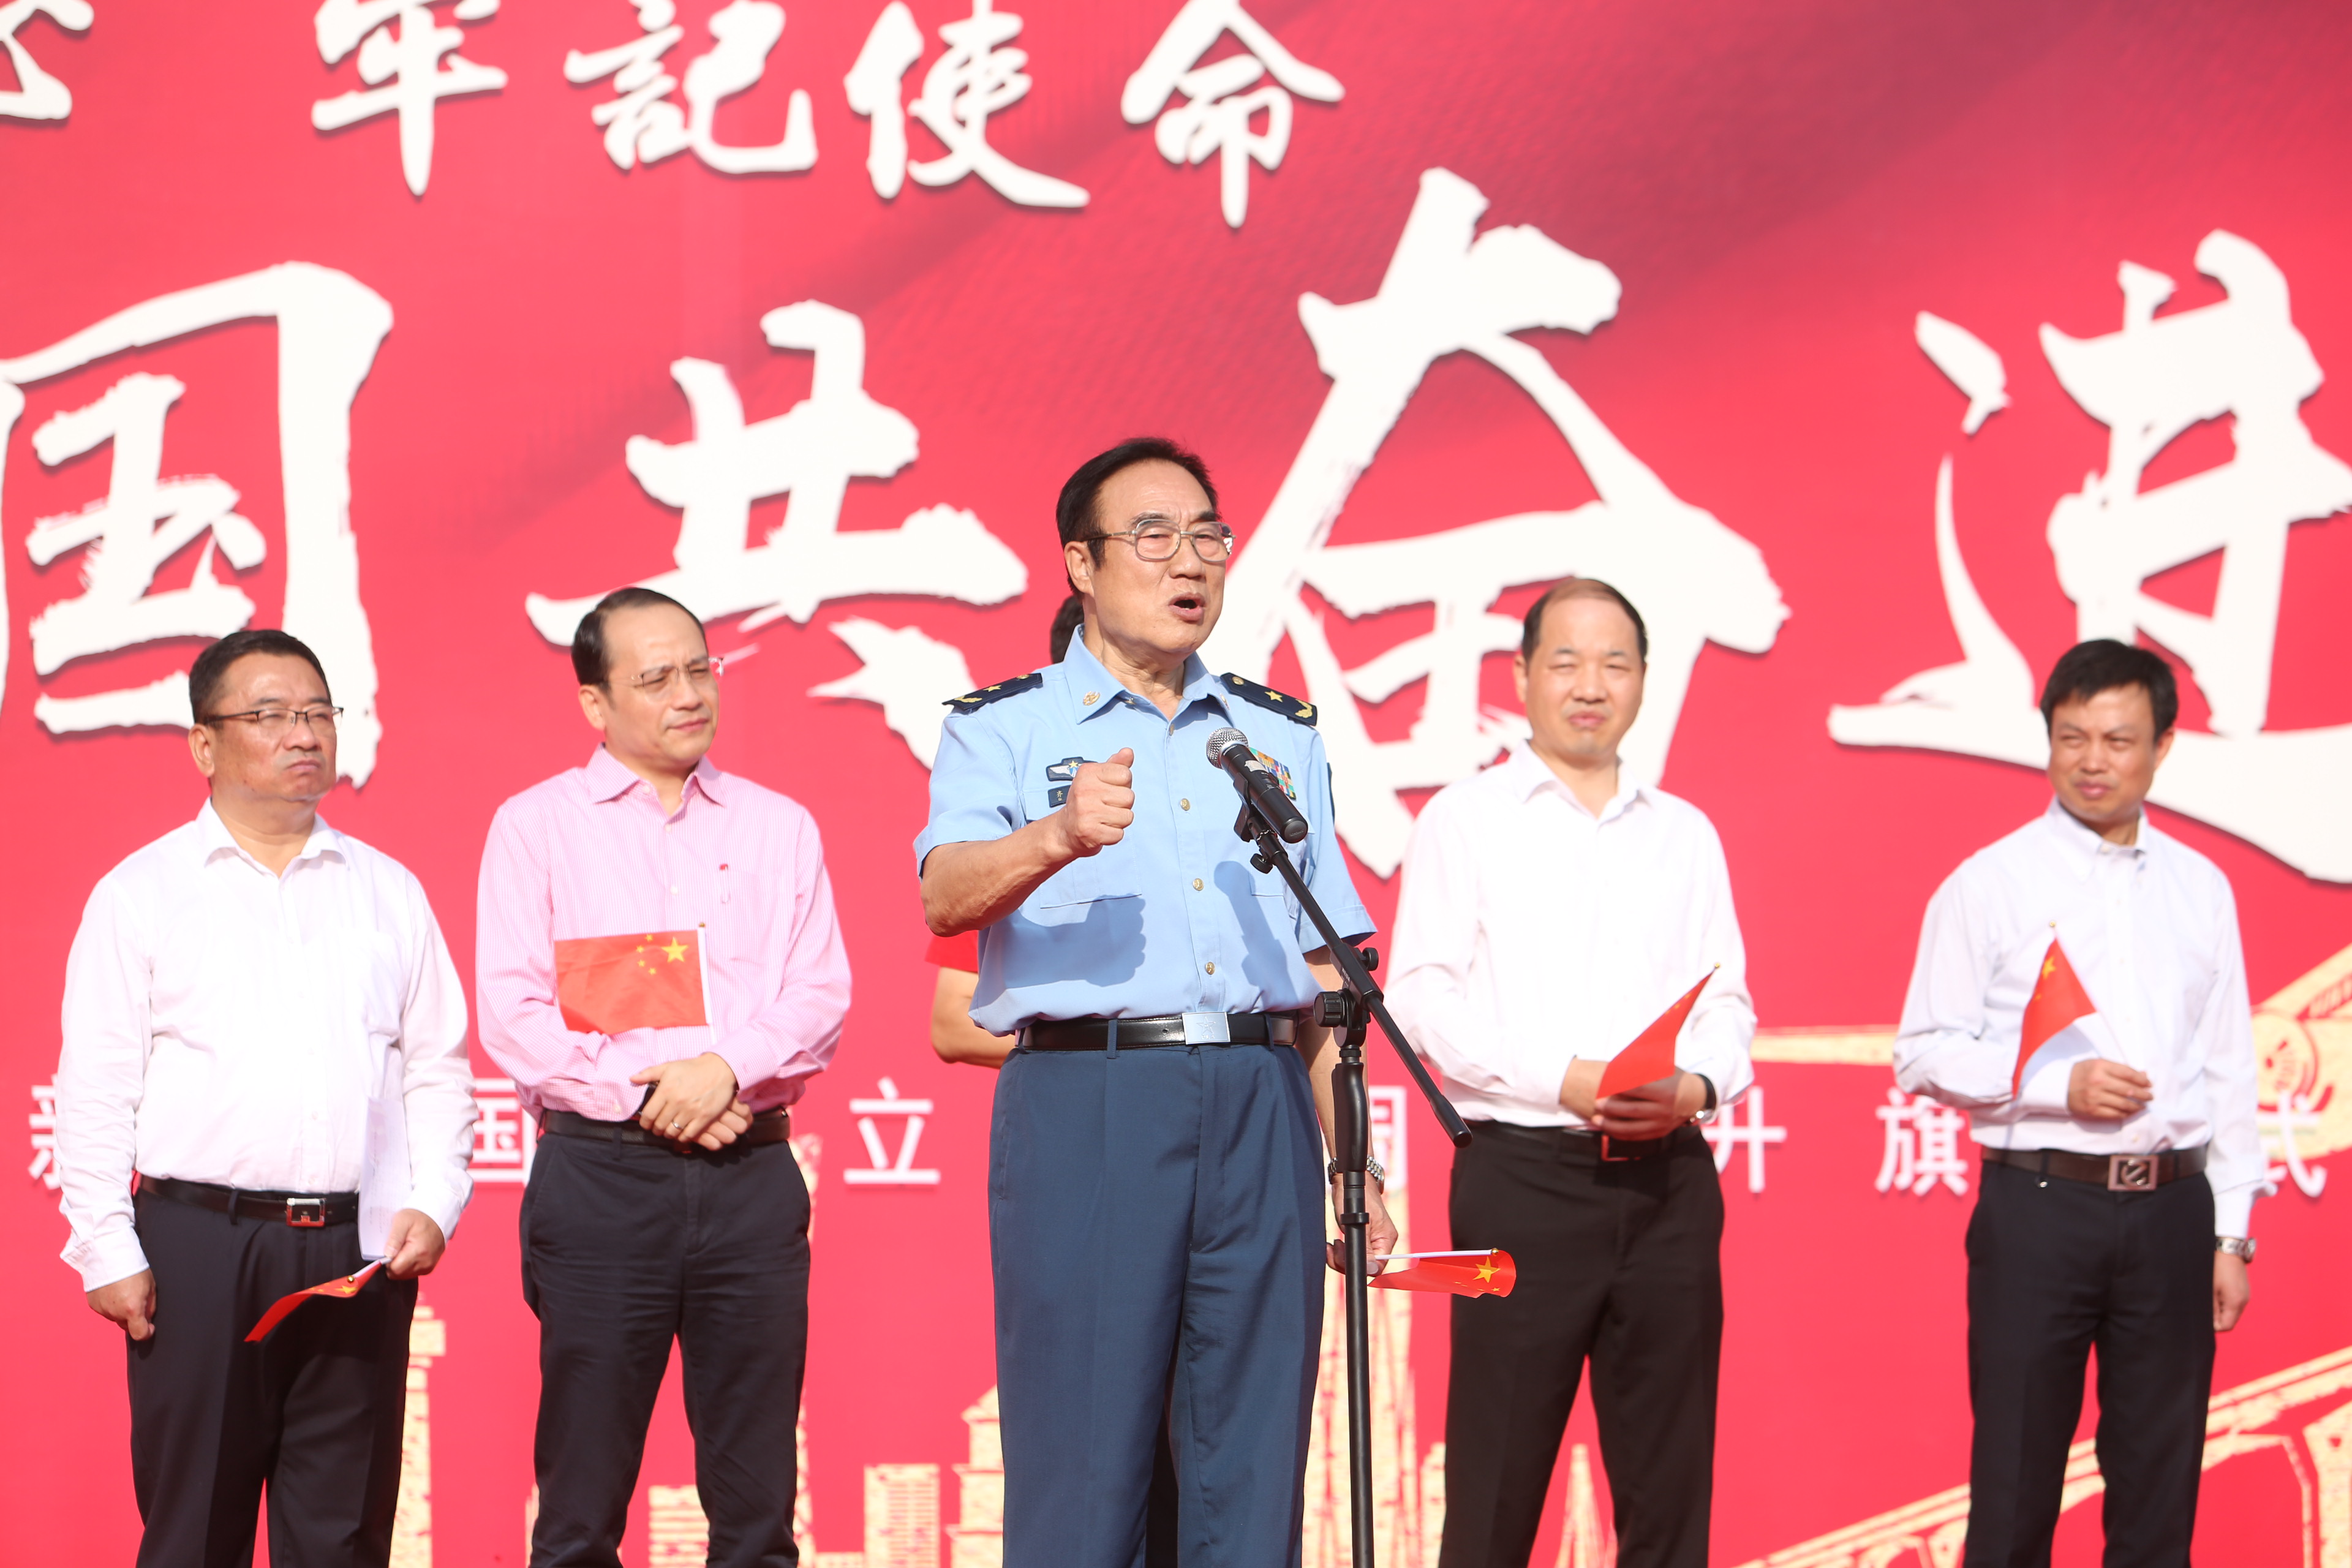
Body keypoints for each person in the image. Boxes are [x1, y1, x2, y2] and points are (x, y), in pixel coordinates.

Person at [916, 436, 1393, 1568]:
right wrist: (1055, 836)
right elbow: (944, 895)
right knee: (1085, 1467)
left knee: (1253, 1459)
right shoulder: (1003, 726)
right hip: (1092, 1096)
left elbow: (1326, 968)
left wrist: (1355, 1161)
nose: (1190, 561)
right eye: (1154, 536)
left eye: (1208, 537)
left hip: (1261, 1100)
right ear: (1080, 564)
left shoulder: (1274, 735)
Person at [54, 627, 478, 1568]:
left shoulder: (388, 892)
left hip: (357, 1252)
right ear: (205, 744)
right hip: (200, 1249)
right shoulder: (142, 894)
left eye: (319, 712)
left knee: (343, 1535)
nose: (303, 734)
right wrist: (106, 1247)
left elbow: (437, 1068)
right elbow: (95, 1090)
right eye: (272, 715)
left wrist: (435, 1198)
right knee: (195, 1532)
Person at [477, 587, 851, 1568]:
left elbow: (818, 996)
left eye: (699, 669)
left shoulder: (778, 826)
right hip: (602, 1182)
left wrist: (722, 1070)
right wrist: (652, 1097)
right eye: (655, 679)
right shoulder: (536, 827)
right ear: (595, 703)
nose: (689, 694)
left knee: (758, 1511)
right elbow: (514, 1013)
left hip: (750, 1180)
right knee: (579, 1511)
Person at [1388, 578, 1754, 1568]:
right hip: (1523, 1184)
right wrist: (1567, 1078)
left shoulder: (1684, 833)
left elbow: (1727, 1004)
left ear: (1643, 680)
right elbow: (1422, 1000)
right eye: (1566, 661)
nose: (1591, 685)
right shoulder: (1466, 819)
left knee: (1669, 1500)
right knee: (1495, 1493)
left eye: (1615, 663)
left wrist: (1697, 1089)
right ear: (1520, 676)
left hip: (1670, 1183)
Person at [1894, 638, 2263, 1568]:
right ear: (2048, 738)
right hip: (2041, 1210)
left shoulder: (2201, 889)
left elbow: (2228, 1068)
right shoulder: (1991, 883)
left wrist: (2231, 1233)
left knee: (2158, 1499)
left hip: (2175, 1214)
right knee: (2016, 1488)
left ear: (2164, 746)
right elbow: (1923, 1051)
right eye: (2072, 738)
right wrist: (2056, 1086)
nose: (2093, 761)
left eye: (2119, 740)